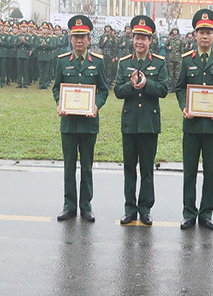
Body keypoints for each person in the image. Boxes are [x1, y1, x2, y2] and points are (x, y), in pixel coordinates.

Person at [175, 9, 213, 231]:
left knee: (210, 172)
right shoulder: (186, 61)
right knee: (189, 171)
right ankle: (189, 213)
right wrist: (184, 106)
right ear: (195, 35)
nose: (204, 36)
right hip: (191, 125)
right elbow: (180, 87)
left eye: (208, 32)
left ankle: (207, 213)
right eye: (201, 31)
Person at [52, 14, 109, 223]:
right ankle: (69, 206)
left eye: (82, 36)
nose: (78, 40)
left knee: (86, 166)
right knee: (69, 166)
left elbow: (104, 89)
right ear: (70, 38)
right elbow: (56, 88)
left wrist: (96, 105)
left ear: (89, 39)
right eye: (75, 36)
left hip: (88, 123)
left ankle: (86, 206)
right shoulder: (62, 62)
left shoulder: (98, 63)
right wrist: (59, 103)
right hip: (68, 123)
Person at [114, 15, 169, 226]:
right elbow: (118, 90)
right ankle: (130, 208)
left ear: (150, 40)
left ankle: (145, 208)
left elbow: (164, 89)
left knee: (147, 169)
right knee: (129, 168)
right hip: (130, 123)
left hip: (149, 123)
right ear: (132, 38)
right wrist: (131, 86)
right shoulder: (124, 63)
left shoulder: (159, 63)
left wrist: (146, 84)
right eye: (137, 37)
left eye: (144, 38)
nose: (140, 41)